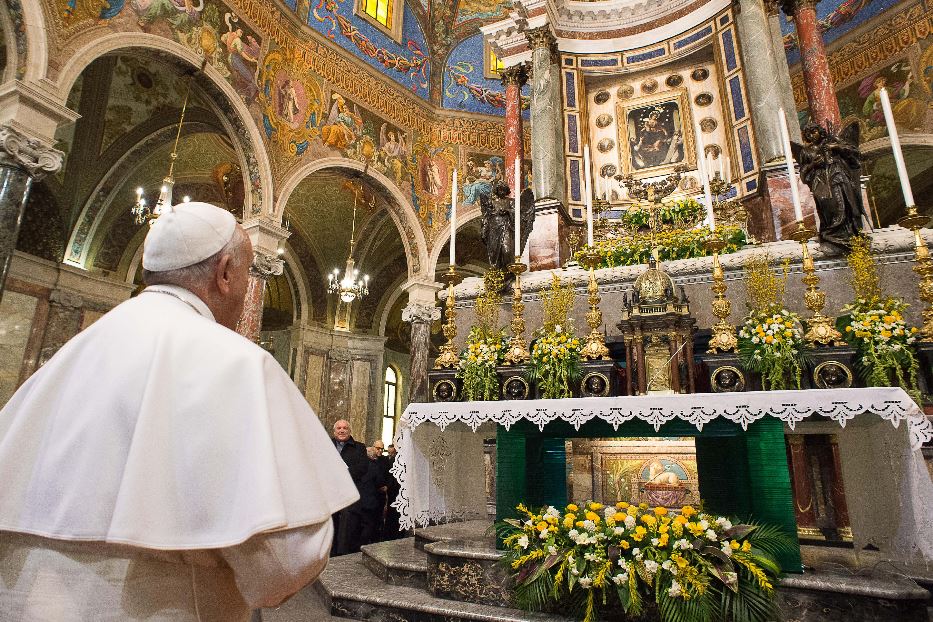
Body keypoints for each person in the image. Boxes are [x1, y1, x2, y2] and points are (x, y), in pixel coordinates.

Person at [0, 201, 359, 620]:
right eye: (245, 276)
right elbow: (283, 564)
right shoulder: (237, 363)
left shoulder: (72, 353)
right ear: (225, 273)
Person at [331, 419, 368, 555]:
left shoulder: (359, 447)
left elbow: (362, 468)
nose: (341, 430)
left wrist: (342, 473)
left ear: (349, 431)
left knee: (348, 528)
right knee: (330, 526)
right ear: (334, 431)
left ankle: (343, 556)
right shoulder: (325, 445)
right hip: (330, 492)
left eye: (345, 428)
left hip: (350, 493)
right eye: (339, 428)